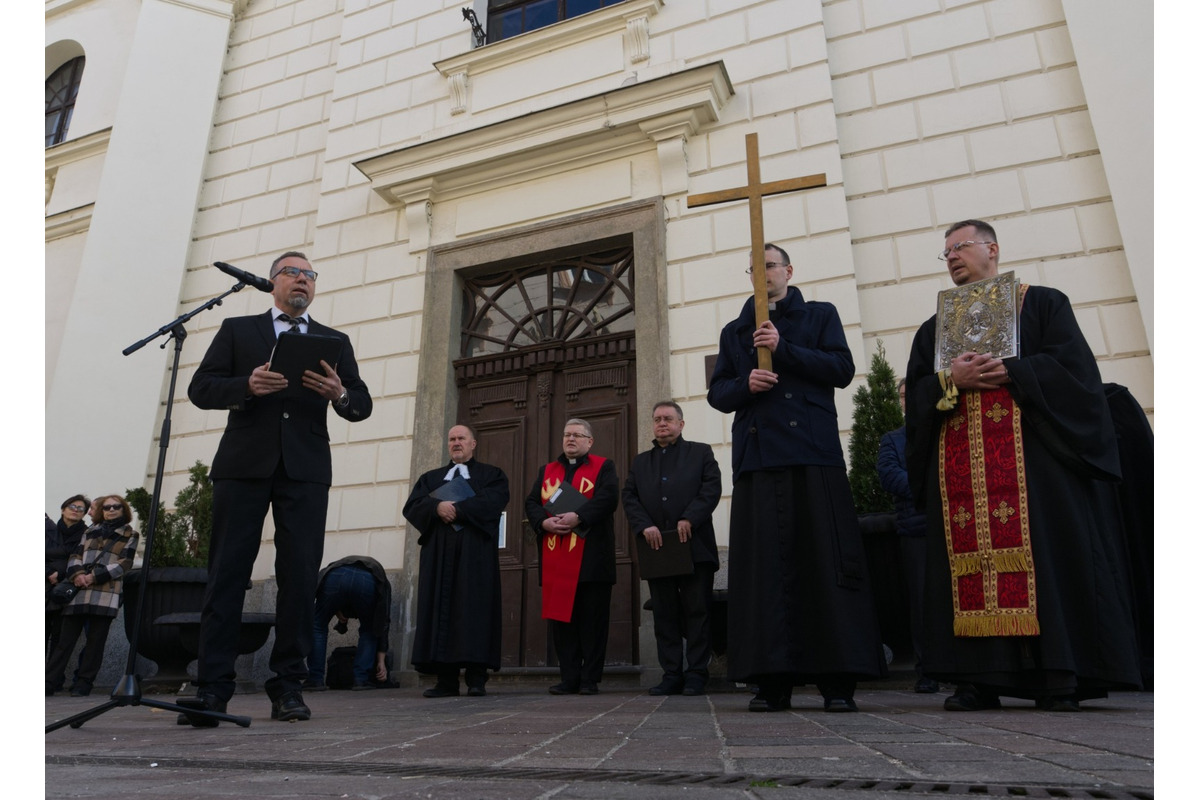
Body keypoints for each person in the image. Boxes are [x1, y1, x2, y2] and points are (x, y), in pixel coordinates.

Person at [905, 219, 1142, 711]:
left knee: (1046, 563)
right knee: (965, 570)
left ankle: (1056, 677)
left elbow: (1075, 372)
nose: (952, 257)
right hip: (963, 476)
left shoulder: (1043, 304)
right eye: (946, 252)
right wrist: (951, 380)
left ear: (991, 248)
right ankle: (978, 679)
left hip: (1035, 467)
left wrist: (1012, 370)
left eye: (960, 246)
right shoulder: (933, 329)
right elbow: (918, 396)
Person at [182, 250, 372, 726]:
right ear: (272, 283)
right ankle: (213, 689)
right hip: (243, 466)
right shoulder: (238, 330)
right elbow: (201, 389)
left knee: (300, 578)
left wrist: (339, 394)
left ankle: (288, 686)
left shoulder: (334, 340)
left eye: (310, 275)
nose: (302, 280)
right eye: (292, 272)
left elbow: (361, 403)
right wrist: (246, 386)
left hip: (305, 471)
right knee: (226, 575)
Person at [707, 243, 885, 713]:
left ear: (788, 270)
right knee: (764, 572)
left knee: (823, 562)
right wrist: (745, 384)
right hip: (758, 459)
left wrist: (784, 350)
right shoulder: (734, 331)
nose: (762, 273)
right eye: (755, 268)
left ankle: (837, 681)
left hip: (812, 453)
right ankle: (771, 682)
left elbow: (841, 369)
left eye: (769, 265)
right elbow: (718, 392)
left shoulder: (820, 315)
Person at [622, 401, 722, 696]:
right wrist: (644, 526)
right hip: (657, 548)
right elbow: (629, 497)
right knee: (664, 614)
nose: (662, 423)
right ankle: (671, 675)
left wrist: (690, 517)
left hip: (694, 546)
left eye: (668, 418)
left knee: (697, 612)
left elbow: (711, 489)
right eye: (657, 419)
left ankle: (696, 674)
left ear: (681, 424)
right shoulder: (641, 462)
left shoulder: (701, 452)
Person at [403, 424, 509, 697]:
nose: (456, 443)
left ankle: (476, 679)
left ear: (473, 443)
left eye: (461, 438)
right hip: (438, 556)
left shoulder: (492, 475)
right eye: (452, 439)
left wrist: (457, 510)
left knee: (475, 611)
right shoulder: (430, 478)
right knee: (440, 610)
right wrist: (436, 507)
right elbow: (413, 506)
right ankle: (446, 681)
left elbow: (493, 502)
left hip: (476, 558)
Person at [525, 419, 619, 695]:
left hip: (592, 560)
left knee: (592, 623)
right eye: (567, 434)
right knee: (562, 623)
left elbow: (608, 498)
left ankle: (589, 679)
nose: (571, 439)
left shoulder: (604, 466)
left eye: (577, 435)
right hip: (556, 560)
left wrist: (579, 516)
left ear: (590, 441)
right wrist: (543, 522)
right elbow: (532, 502)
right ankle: (569, 678)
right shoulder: (547, 471)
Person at [876, 380, 938, 694]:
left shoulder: (943, 432)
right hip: (916, 532)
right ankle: (928, 670)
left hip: (951, 531)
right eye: (903, 396)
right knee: (923, 604)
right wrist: (930, 487)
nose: (908, 401)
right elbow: (889, 475)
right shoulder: (893, 440)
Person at [45, 495, 139, 697]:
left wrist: (93, 577)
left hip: (105, 592)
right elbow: (75, 556)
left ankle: (84, 683)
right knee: (64, 642)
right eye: (107, 507)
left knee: (95, 643)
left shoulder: (130, 534)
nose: (111, 510)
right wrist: (78, 575)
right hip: (79, 591)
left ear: (123, 510)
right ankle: (49, 682)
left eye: (116, 506)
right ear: (101, 511)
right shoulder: (90, 531)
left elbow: (125, 563)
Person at [306, 555, 392, 691]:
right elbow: (383, 623)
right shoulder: (383, 582)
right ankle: (361, 680)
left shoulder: (338, 565)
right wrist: (381, 661)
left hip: (334, 575)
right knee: (369, 629)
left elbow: (326, 593)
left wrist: (336, 609)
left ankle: (315, 679)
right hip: (368, 580)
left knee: (318, 627)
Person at [47, 495, 91, 667]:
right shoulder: (48, 529)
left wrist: (60, 574)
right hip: (44, 585)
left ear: (84, 514)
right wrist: (48, 572)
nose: (75, 510)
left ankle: (52, 678)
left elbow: (83, 561)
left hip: (68, 589)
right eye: (72, 506)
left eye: (80, 509)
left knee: (60, 638)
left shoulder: (87, 534)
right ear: (63, 509)